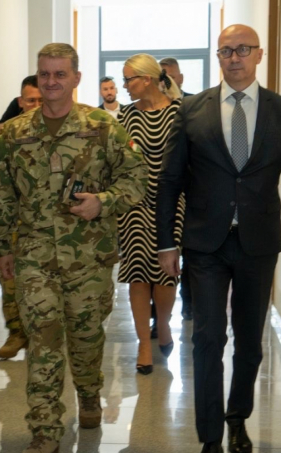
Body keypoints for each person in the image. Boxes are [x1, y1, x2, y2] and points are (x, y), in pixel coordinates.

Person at [158, 25, 281, 453]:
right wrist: (166, 243)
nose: (234, 57)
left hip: (258, 244)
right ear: (218, 57)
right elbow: (170, 181)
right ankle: (210, 437)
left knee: (249, 340)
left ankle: (237, 418)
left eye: (243, 49)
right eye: (226, 51)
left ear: (259, 55)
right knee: (208, 337)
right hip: (204, 244)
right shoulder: (190, 109)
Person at [0, 43, 149, 453]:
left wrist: (103, 201)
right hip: (34, 255)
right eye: (44, 74)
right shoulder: (12, 133)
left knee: (86, 335)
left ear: (76, 78)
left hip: (89, 256)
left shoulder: (103, 127)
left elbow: (137, 177)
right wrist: (2, 246)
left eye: (60, 74)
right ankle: (44, 432)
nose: (51, 82)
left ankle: (90, 392)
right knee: (43, 338)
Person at [116, 54, 184, 375]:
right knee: (138, 274)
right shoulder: (125, 115)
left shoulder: (179, 112)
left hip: (172, 204)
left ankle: (164, 323)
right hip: (134, 205)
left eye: (128, 79)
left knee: (166, 274)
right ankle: (144, 342)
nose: (124, 86)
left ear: (147, 79)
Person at [0, 76, 42, 359]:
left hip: (42, 224)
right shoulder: (7, 134)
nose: (36, 105)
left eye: (41, 100)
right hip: (10, 219)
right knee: (9, 278)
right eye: (31, 100)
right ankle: (16, 333)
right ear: (20, 102)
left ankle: (41, 336)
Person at [159, 57, 194, 320]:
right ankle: (159, 316)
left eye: (170, 76)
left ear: (180, 78)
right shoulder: (148, 108)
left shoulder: (195, 105)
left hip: (191, 193)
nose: (165, 81)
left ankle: (189, 303)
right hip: (164, 191)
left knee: (191, 255)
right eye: (161, 76)